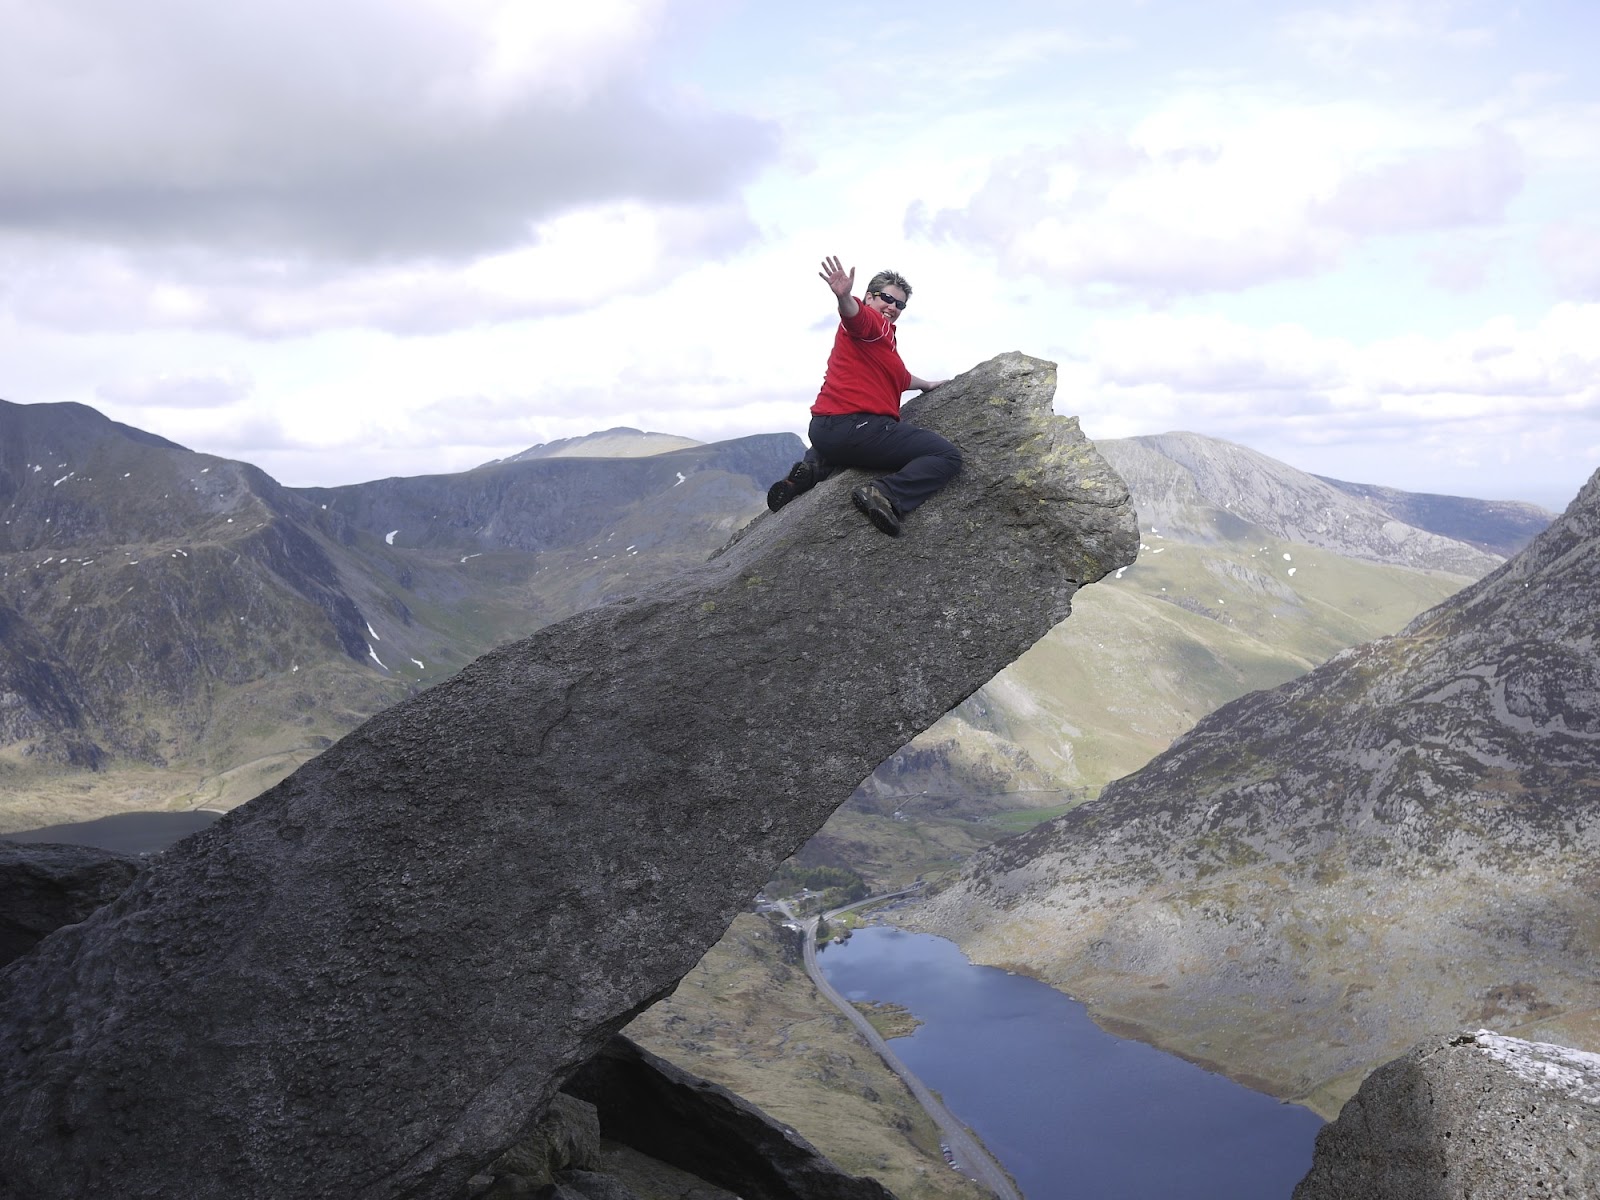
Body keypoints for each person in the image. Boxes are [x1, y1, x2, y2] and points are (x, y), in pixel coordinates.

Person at [765, 256, 958, 537]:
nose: (892, 307)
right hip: (857, 428)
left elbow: (899, 377)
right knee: (946, 455)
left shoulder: (881, 342)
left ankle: (810, 471)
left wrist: (925, 385)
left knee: (846, 447)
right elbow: (855, 316)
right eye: (887, 299)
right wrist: (844, 297)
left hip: (822, 430)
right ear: (869, 297)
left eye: (900, 304)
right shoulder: (870, 325)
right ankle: (884, 494)